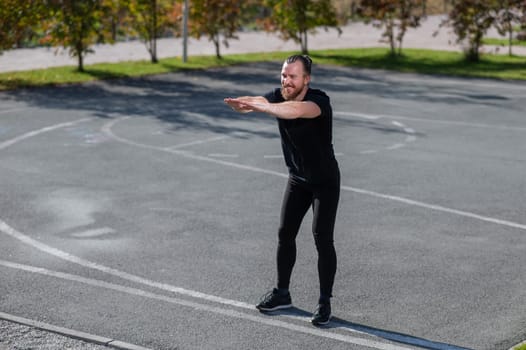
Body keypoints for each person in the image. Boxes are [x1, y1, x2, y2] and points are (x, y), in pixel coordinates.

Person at [224, 54, 340, 326]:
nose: (287, 81)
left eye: (293, 77)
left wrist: (263, 108)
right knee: (285, 233)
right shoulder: (278, 96)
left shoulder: (318, 102)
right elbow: (261, 101)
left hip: (325, 181)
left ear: (306, 80)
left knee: (322, 238)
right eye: (284, 76)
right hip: (298, 178)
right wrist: (243, 104)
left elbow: (293, 111)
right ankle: (282, 293)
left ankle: (324, 302)